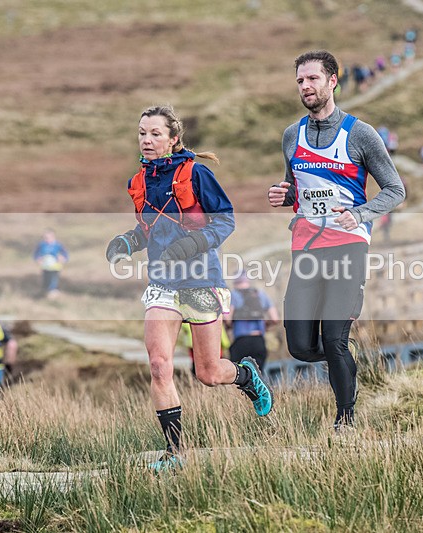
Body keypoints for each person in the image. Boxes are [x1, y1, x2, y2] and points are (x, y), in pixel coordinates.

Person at [105, 105, 272, 472]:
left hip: (201, 280)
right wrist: (127, 242)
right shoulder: (140, 182)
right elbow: (149, 230)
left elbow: (225, 221)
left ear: (173, 139)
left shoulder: (196, 173)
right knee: (159, 366)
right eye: (142, 133)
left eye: (155, 134)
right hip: (163, 284)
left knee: (208, 373)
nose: (147, 140)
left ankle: (246, 376)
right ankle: (175, 452)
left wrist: (191, 245)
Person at [268, 50, 405, 430]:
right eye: (300, 81)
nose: (305, 86)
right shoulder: (292, 135)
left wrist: (359, 215)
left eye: (312, 79)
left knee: (333, 339)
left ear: (333, 81)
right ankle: (344, 355)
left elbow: (395, 190)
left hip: (348, 245)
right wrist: (284, 195)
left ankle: (345, 419)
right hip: (306, 247)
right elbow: (297, 189)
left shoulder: (360, 134)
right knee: (299, 345)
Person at [226, 271, 279, 370]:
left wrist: (230, 326)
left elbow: (227, 319)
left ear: (235, 282)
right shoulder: (260, 294)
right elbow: (275, 319)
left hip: (241, 341)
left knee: (238, 373)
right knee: (258, 373)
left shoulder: (233, 295)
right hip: (259, 341)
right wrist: (266, 325)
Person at [33, 229, 69, 299]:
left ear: (53, 237)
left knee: (53, 279)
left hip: (55, 266)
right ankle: (45, 293)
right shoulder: (41, 245)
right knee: (46, 280)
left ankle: (53, 293)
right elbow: (36, 254)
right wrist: (38, 258)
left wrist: (63, 258)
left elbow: (65, 254)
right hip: (45, 266)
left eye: (48, 237)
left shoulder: (58, 245)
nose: (46, 239)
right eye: (45, 238)